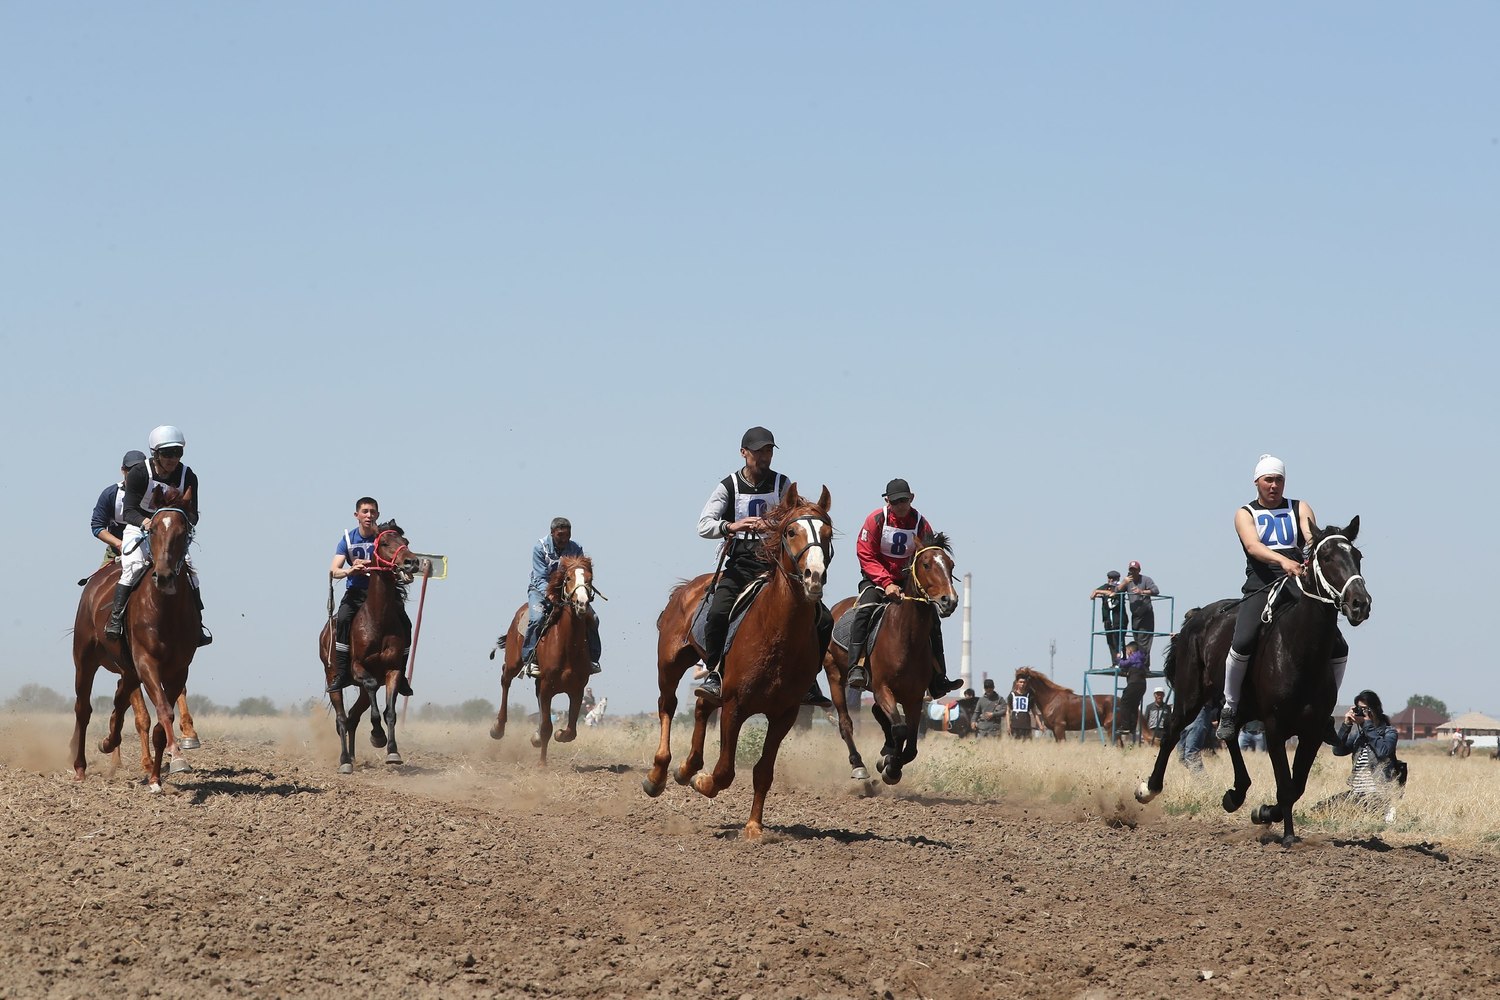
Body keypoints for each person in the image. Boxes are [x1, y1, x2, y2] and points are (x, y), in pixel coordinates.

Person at [695, 426, 832, 707]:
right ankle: (715, 672)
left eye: (768, 450)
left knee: (824, 620)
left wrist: (769, 524)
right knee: (718, 613)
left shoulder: (783, 484)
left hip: (776, 566)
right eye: (758, 450)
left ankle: (809, 680)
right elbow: (703, 525)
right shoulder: (728, 486)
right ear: (744, 453)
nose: (764, 456)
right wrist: (731, 525)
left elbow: (794, 520)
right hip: (741, 563)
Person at [1217, 454, 1350, 739]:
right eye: (1269, 480)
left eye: (1279, 480)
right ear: (1257, 482)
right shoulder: (1245, 513)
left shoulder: (1300, 507)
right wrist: (1283, 561)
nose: (1274, 485)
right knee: (1242, 640)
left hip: (1298, 583)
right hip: (1261, 583)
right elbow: (1253, 547)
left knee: (1339, 646)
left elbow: (1310, 536)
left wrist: (1311, 555)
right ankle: (1229, 708)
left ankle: (1325, 712)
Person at [844, 478, 963, 698]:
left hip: (909, 584)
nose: (901, 505)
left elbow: (929, 553)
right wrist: (886, 582)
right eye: (896, 501)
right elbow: (865, 553)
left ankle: (939, 677)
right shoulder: (875, 519)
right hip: (876, 580)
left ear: (912, 498)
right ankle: (856, 667)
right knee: (865, 608)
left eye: (905, 500)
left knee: (932, 620)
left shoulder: (920, 522)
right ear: (887, 501)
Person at [106, 425, 211, 646]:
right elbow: (129, 511)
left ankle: (198, 625)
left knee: (191, 574)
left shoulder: (188, 475)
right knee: (132, 567)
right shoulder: (139, 473)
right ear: (155, 453)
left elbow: (194, 513)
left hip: (170, 530)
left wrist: (179, 521)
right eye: (167, 453)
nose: (173, 459)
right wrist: (147, 523)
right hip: (141, 526)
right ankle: (115, 619)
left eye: (177, 453)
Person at [325, 496, 415, 692]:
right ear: (356, 515)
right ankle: (342, 673)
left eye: (372, 512)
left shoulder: (384, 538)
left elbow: (399, 558)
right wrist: (350, 570)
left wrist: (406, 573)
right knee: (342, 619)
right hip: (357, 591)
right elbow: (334, 570)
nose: (369, 515)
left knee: (406, 623)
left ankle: (402, 675)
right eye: (365, 511)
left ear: (378, 515)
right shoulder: (348, 540)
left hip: (385, 594)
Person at [519, 517, 602, 678]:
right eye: (560, 536)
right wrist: (549, 593)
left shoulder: (576, 548)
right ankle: (529, 659)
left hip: (568, 591)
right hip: (540, 590)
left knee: (594, 619)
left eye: (567, 536)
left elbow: (581, 571)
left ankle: (593, 659)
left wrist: (582, 588)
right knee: (537, 618)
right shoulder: (540, 547)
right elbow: (539, 577)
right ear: (552, 533)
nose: (564, 539)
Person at [1317, 689, 1401, 819]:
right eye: (1359, 709)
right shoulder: (1359, 736)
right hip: (1357, 793)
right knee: (1319, 809)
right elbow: (1338, 751)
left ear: (1376, 709)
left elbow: (1383, 752)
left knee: (1351, 815)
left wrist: (1367, 725)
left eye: (1365, 709)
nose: (1362, 712)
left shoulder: (1389, 732)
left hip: (1378, 794)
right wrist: (1346, 725)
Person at [91, 450, 147, 567]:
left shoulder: (155, 493)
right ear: (123, 470)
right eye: (130, 470)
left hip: (151, 549)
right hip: (116, 552)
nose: (134, 474)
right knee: (96, 583)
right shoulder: (110, 494)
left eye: (139, 470)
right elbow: (97, 527)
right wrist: (119, 544)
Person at [1118, 561, 1159, 667]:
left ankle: (1144, 666)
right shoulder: (1127, 581)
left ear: (1139, 570)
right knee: (1137, 642)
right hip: (1135, 616)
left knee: (1144, 642)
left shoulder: (1146, 579)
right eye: (1131, 570)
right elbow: (1116, 592)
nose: (1132, 572)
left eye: (1135, 570)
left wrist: (1142, 591)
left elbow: (1156, 590)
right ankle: (1137, 664)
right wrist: (1124, 582)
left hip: (1146, 615)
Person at [1113, 641, 1147, 746]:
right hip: (1142, 684)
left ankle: (1125, 726)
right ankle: (1132, 727)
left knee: (1124, 702)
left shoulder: (1134, 657)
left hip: (1134, 683)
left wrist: (1118, 658)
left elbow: (1123, 663)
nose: (1127, 654)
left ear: (1131, 651)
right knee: (1133, 705)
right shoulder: (1141, 656)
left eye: (1127, 651)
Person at [1090, 570, 1127, 661]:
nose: (1110, 580)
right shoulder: (1105, 587)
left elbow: (1112, 594)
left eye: (1113, 578)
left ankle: (1122, 662)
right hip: (1108, 620)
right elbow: (1093, 594)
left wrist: (1099, 591)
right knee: (1110, 641)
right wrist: (1096, 592)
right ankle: (1114, 662)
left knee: (1119, 641)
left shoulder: (1120, 587)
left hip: (1119, 619)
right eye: (1109, 578)